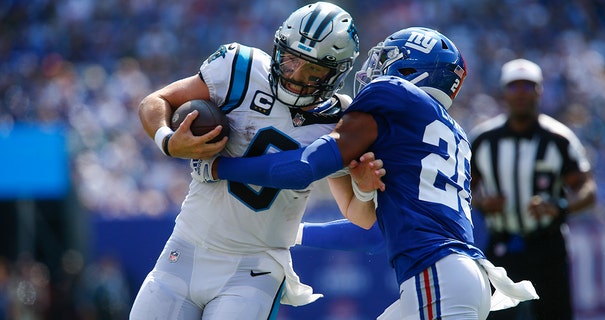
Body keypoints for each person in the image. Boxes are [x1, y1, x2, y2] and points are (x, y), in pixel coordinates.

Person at [205, 27, 539, 319]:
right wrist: (293, 231)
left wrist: (218, 167)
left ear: (410, 68)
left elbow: (304, 167)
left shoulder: (393, 93)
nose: (375, 68)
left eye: (388, 58)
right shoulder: (447, 132)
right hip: (457, 277)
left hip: (438, 274)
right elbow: (374, 233)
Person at [130, 2, 363, 319]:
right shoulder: (239, 68)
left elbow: (353, 208)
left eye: (314, 70)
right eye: (292, 60)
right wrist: (167, 141)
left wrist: (363, 188)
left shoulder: (341, 119)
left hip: (255, 266)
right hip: (186, 246)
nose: (296, 75)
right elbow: (155, 101)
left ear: (335, 73)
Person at [468, 58, 597, 319]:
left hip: (547, 243)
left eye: (528, 87)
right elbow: (462, 188)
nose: (520, 94)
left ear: (539, 90)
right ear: (504, 92)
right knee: (495, 314)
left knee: (554, 313)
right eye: (514, 87)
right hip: (501, 242)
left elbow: (587, 189)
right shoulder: (483, 139)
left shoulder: (558, 138)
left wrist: (560, 207)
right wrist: (482, 204)